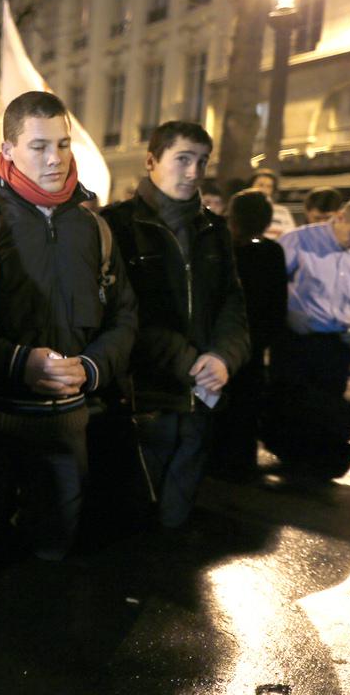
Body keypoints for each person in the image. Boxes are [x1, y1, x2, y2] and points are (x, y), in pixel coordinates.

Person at [0, 92, 137, 561]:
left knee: (55, 559)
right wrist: (17, 362)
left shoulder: (96, 228)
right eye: (39, 146)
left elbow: (125, 315)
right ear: (7, 149)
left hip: (68, 425)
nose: (55, 158)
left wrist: (91, 368)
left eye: (64, 144)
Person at [102, 121, 249, 528]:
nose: (194, 172)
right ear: (152, 161)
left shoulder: (214, 229)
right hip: (144, 396)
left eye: (202, 161)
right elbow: (124, 311)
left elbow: (232, 305)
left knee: (176, 521)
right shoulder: (117, 226)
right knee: (129, 521)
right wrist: (190, 361)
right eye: (182, 159)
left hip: (202, 397)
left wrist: (223, 357)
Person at [273, 196, 350, 397]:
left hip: (339, 346)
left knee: (329, 415)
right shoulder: (297, 241)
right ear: (340, 217)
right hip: (295, 343)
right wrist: (286, 315)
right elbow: (268, 288)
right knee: (288, 413)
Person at [212, 189, 287, 479]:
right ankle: (240, 463)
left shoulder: (220, 248)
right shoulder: (271, 251)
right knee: (245, 407)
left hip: (220, 342)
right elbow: (277, 305)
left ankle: (214, 461)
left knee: (217, 402)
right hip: (253, 345)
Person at [250, 170, 296, 240]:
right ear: (251, 186)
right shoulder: (244, 209)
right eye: (260, 185)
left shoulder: (283, 211)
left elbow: (291, 235)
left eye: (269, 186)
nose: (264, 189)